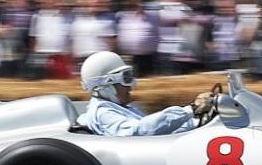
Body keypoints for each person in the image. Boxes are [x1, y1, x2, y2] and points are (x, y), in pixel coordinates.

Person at [76, 51, 215, 136]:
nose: (131, 86)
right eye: (126, 79)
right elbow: (140, 131)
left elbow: (161, 131)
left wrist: (197, 120)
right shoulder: (103, 113)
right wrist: (191, 109)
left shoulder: (124, 109)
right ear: (106, 86)